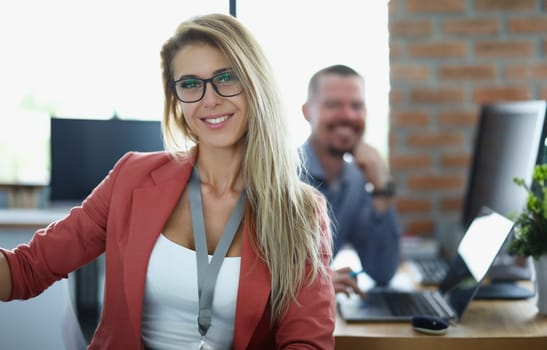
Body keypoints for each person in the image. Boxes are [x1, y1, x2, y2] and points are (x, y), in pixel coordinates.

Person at [0, 14, 335, 349]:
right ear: (176, 99)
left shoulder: (300, 211)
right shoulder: (132, 177)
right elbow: (27, 269)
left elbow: (306, 341)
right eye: (190, 84)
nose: (210, 99)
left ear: (256, 84)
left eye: (226, 78)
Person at [300, 64, 401, 296]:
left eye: (356, 106)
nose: (348, 115)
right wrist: (317, 282)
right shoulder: (281, 176)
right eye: (333, 105)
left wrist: (381, 186)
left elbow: (382, 271)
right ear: (307, 112)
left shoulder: (355, 180)